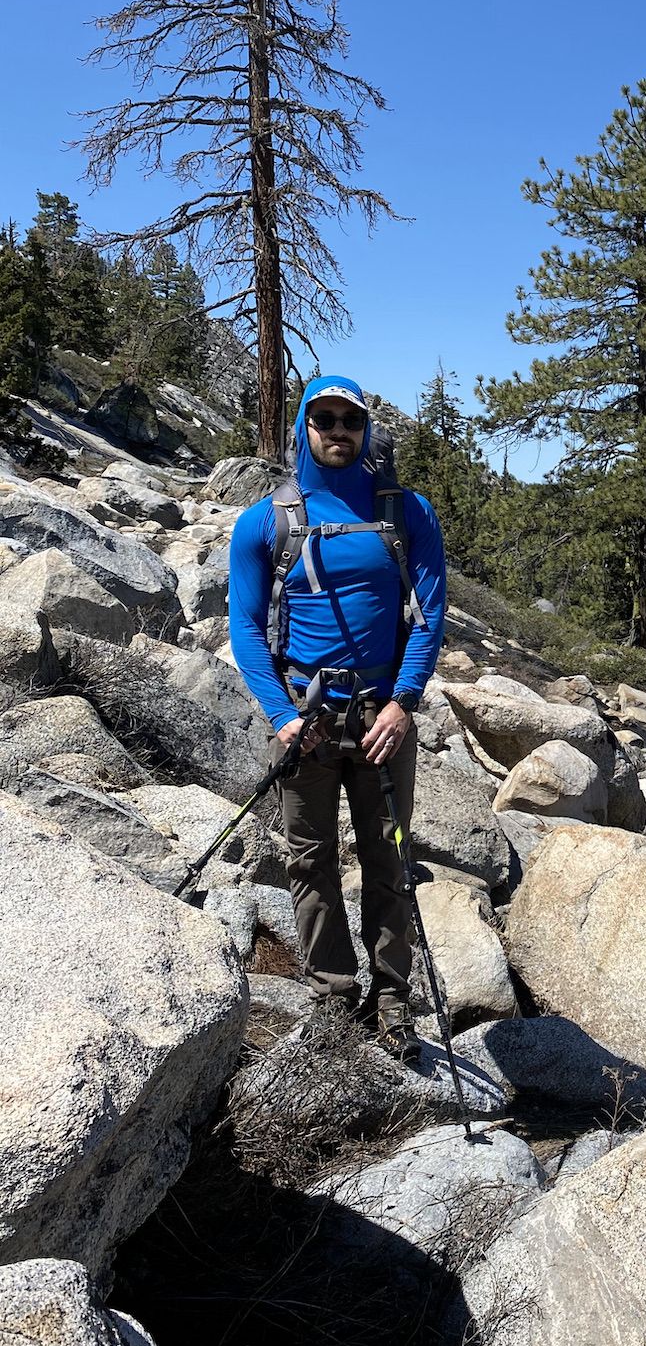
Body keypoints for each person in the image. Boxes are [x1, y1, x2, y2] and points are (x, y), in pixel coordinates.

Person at [228, 376, 447, 1061]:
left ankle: (391, 1000)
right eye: (323, 418)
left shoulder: (408, 511)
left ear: (365, 429)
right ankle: (332, 993)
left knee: (388, 861)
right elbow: (244, 624)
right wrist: (282, 716)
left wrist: (404, 702)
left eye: (349, 419)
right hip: (304, 716)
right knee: (310, 860)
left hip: (382, 717)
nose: (337, 429)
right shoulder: (263, 521)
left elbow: (429, 614)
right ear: (305, 426)